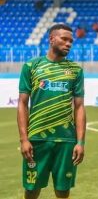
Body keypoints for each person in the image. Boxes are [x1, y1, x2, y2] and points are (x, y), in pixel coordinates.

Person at [17, 23, 86, 199]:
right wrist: (24, 139)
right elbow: (22, 104)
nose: (69, 43)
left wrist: (80, 142)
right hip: (37, 139)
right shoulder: (31, 66)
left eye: (71, 40)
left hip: (66, 140)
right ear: (51, 39)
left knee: (63, 190)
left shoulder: (76, 70)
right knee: (32, 189)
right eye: (64, 39)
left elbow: (79, 106)